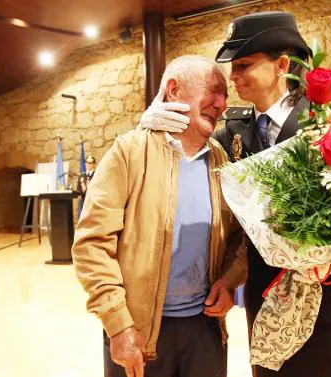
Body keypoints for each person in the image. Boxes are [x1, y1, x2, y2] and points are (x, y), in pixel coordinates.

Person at [140, 11, 331, 377]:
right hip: (268, 307)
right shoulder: (232, 133)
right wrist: (150, 125)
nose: (233, 77)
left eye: (244, 65)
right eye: (232, 67)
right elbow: (186, 150)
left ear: (282, 64)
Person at [72, 55, 247, 377]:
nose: (222, 104)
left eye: (226, 95)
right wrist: (117, 323)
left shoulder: (220, 158)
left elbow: (238, 236)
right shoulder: (129, 152)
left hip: (205, 330)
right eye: (213, 91)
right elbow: (91, 245)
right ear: (174, 89)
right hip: (139, 332)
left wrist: (229, 280)